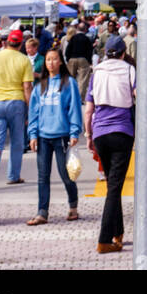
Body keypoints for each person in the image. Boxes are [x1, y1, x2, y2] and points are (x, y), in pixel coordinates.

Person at [84, 35, 135, 254]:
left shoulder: (97, 72)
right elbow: (138, 96)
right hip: (122, 132)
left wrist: (88, 135)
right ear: (123, 53)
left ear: (106, 53)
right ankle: (104, 240)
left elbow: (89, 110)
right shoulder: (130, 70)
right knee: (114, 187)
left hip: (100, 134)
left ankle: (118, 232)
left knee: (114, 185)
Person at [26, 48, 83, 225]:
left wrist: (74, 132)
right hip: (43, 137)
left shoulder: (69, 83)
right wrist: (32, 134)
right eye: (48, 59)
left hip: (62, 136)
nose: (51, 63)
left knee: (66, 174)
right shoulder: (39, 86)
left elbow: (75, 108)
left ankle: (73, 205)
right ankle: (42, 212)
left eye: (54, 59)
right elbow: (33, 112)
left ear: (60, 61)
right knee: (43, 176)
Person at [0, 27, 34, 184]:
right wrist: (31, 108)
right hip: (16, 102)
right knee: (17, 141)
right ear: (21, 44)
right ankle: (13, 176)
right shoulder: (24, 60)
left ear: (6, 42)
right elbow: (27, 87)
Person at [65, 21, 94, 100]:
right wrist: (89, 61)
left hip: (72, 58)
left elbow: (68, 50)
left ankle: (69, 96)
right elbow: (90, 50)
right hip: (83, 59)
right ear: (85, 30)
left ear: (77, 29)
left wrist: (68, 59)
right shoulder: (86, 38)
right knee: (83, 80)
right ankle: (80, 98)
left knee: (70, 79)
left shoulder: (73, 38)